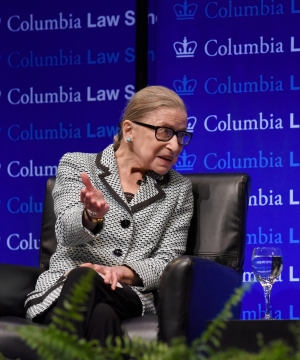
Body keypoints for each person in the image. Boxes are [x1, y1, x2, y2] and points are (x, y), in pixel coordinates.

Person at [25, 85, 194, 344]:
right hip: (63, 288)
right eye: (165, 132)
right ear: (129, 130)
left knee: (87, 280)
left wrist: (119, 271)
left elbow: (168, 262)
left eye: (181, 135)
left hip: (127, 294)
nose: (175, 145)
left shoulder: (178, 189)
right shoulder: (77, 165)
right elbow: (66, 234)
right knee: (101, 315)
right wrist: (90, 216)